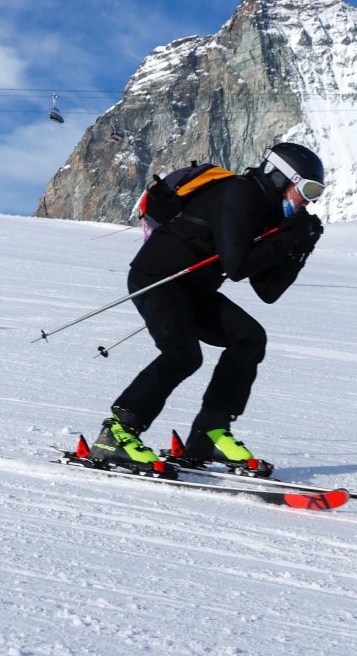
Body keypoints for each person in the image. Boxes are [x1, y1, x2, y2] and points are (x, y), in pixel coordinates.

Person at [91, 142, 325, 476]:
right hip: (158, 277)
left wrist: (301, 248)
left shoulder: (270, 213)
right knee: (183, 354)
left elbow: (268, 290)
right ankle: (116, 434)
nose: (309, 200)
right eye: (307, 189)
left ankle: (209, 435)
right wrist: (286, 241)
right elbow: (237, 265)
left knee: (249, 338)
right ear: (281, 177)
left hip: (193, 289)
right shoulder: (238, 195)